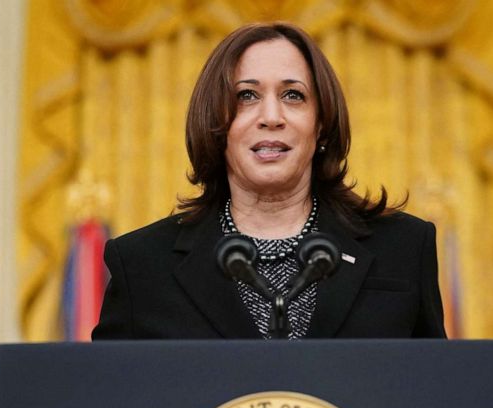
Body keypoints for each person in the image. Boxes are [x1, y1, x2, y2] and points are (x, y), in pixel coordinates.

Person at [93, 22, 445, 340]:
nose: (272, 117)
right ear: (216, 123)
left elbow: (432, 394)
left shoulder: (404, 247)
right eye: (246, 96)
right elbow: (114, 402)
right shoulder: (141, 266)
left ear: (320, 124)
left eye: (293, 95)